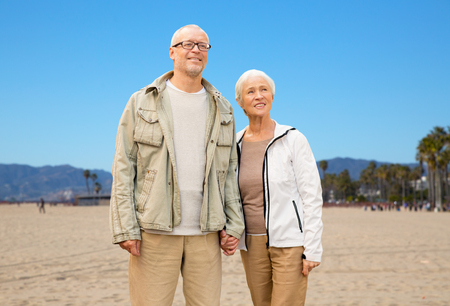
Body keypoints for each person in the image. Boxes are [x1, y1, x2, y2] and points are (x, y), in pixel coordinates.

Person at [109, 24, 244, 306]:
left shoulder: (224, 108)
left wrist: (234, 223)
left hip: (206, 234)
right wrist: (125, 228)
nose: (196, 50)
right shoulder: (141, 102)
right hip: (154, 233)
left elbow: (229, 171)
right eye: (188, 44)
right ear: (172, 52)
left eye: (203, 45)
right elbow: (124, 167)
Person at [222, 69, 323, 306]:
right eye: (251, 91)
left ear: (272, 96)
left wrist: (312, 248)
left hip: (289, 243)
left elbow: (312, 197)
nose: (259, 96)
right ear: (240, 102)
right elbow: (228, 195)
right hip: (251, 245)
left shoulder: (292, 139)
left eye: (264, 89)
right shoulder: (233, 144)